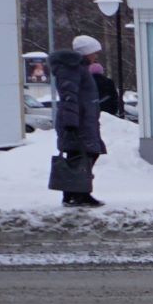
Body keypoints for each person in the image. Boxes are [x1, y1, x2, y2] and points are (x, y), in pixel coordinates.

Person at [49, 35, 108, 207]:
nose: (95, 56)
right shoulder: (72, 69)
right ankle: (79, 194)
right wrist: (71, 123)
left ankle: (73, 194)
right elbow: (69, 97)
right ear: (86, 53)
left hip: (83, 120)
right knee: (82, 156)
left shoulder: (78, 68)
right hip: (78, 122)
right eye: (93, 53)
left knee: (83, 155)